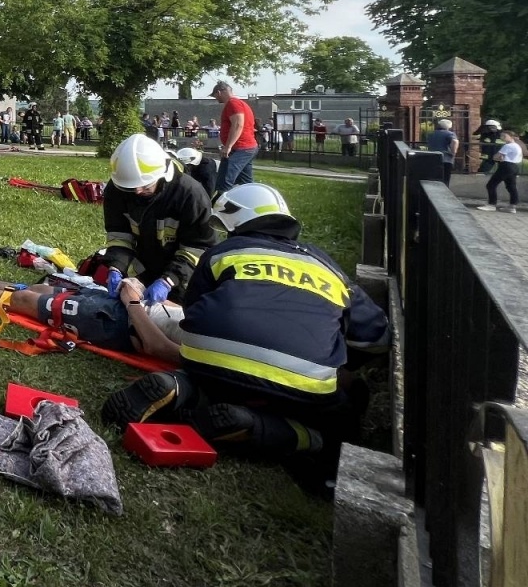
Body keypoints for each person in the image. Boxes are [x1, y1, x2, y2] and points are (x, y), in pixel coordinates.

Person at [102, 183, 390, 488]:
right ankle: (268, 427)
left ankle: (182, 387)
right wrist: (339, 358)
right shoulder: (329, 269)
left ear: (237, 223)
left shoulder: (222, 253)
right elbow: (376, 338)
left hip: (207, 360)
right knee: (339, 417)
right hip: (303, 379)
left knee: (216, 376)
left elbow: (195, 311)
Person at [0, 245, 185, 364]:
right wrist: (141, 291)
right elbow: (170, 313)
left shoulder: (205, 354)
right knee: (40, 290)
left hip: (116, 324)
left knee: (26, 301)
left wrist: (133, 302)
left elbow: (156, 346)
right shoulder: (208, 320)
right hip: (123, 305)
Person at [100, 134, 220, 306]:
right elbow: (119, 236)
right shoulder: (118, 189)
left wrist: (168, 280)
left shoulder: (190, 195)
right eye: (131, 187)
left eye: (145, 185)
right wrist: (116, 266)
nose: (137, 191)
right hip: (143, 270)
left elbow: (198, 247)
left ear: (162, 175)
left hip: (184, 277)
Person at [212, 80, 257, 192]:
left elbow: (238, 125)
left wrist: (228, 147)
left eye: (215, 95)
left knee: (224, 182)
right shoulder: (240, 103)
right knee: (245, 183)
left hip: (240, 148)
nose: (215, 98)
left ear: (219, 92)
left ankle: (221, 202)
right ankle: (250, 198)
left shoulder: (233, 103)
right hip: (247, 148)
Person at [478, 130, 522, 214]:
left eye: (504, 136)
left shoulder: (508, 146)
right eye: (501, 136)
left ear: (511, 137)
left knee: (491, 185)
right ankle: (512, 206)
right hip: (514, 166)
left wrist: (498, 157)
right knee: (511, 186)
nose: (502, 138)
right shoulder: (517, 146)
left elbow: (496, 156)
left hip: (506, 166)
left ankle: (492, 204)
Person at [426, 118, 459, 186]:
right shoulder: (450, 134)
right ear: (448, 126)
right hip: (446, 158)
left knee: (434, 178)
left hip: (432, 157)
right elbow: (455, 141)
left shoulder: (431, 134)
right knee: (445, 178)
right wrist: (453, 152)